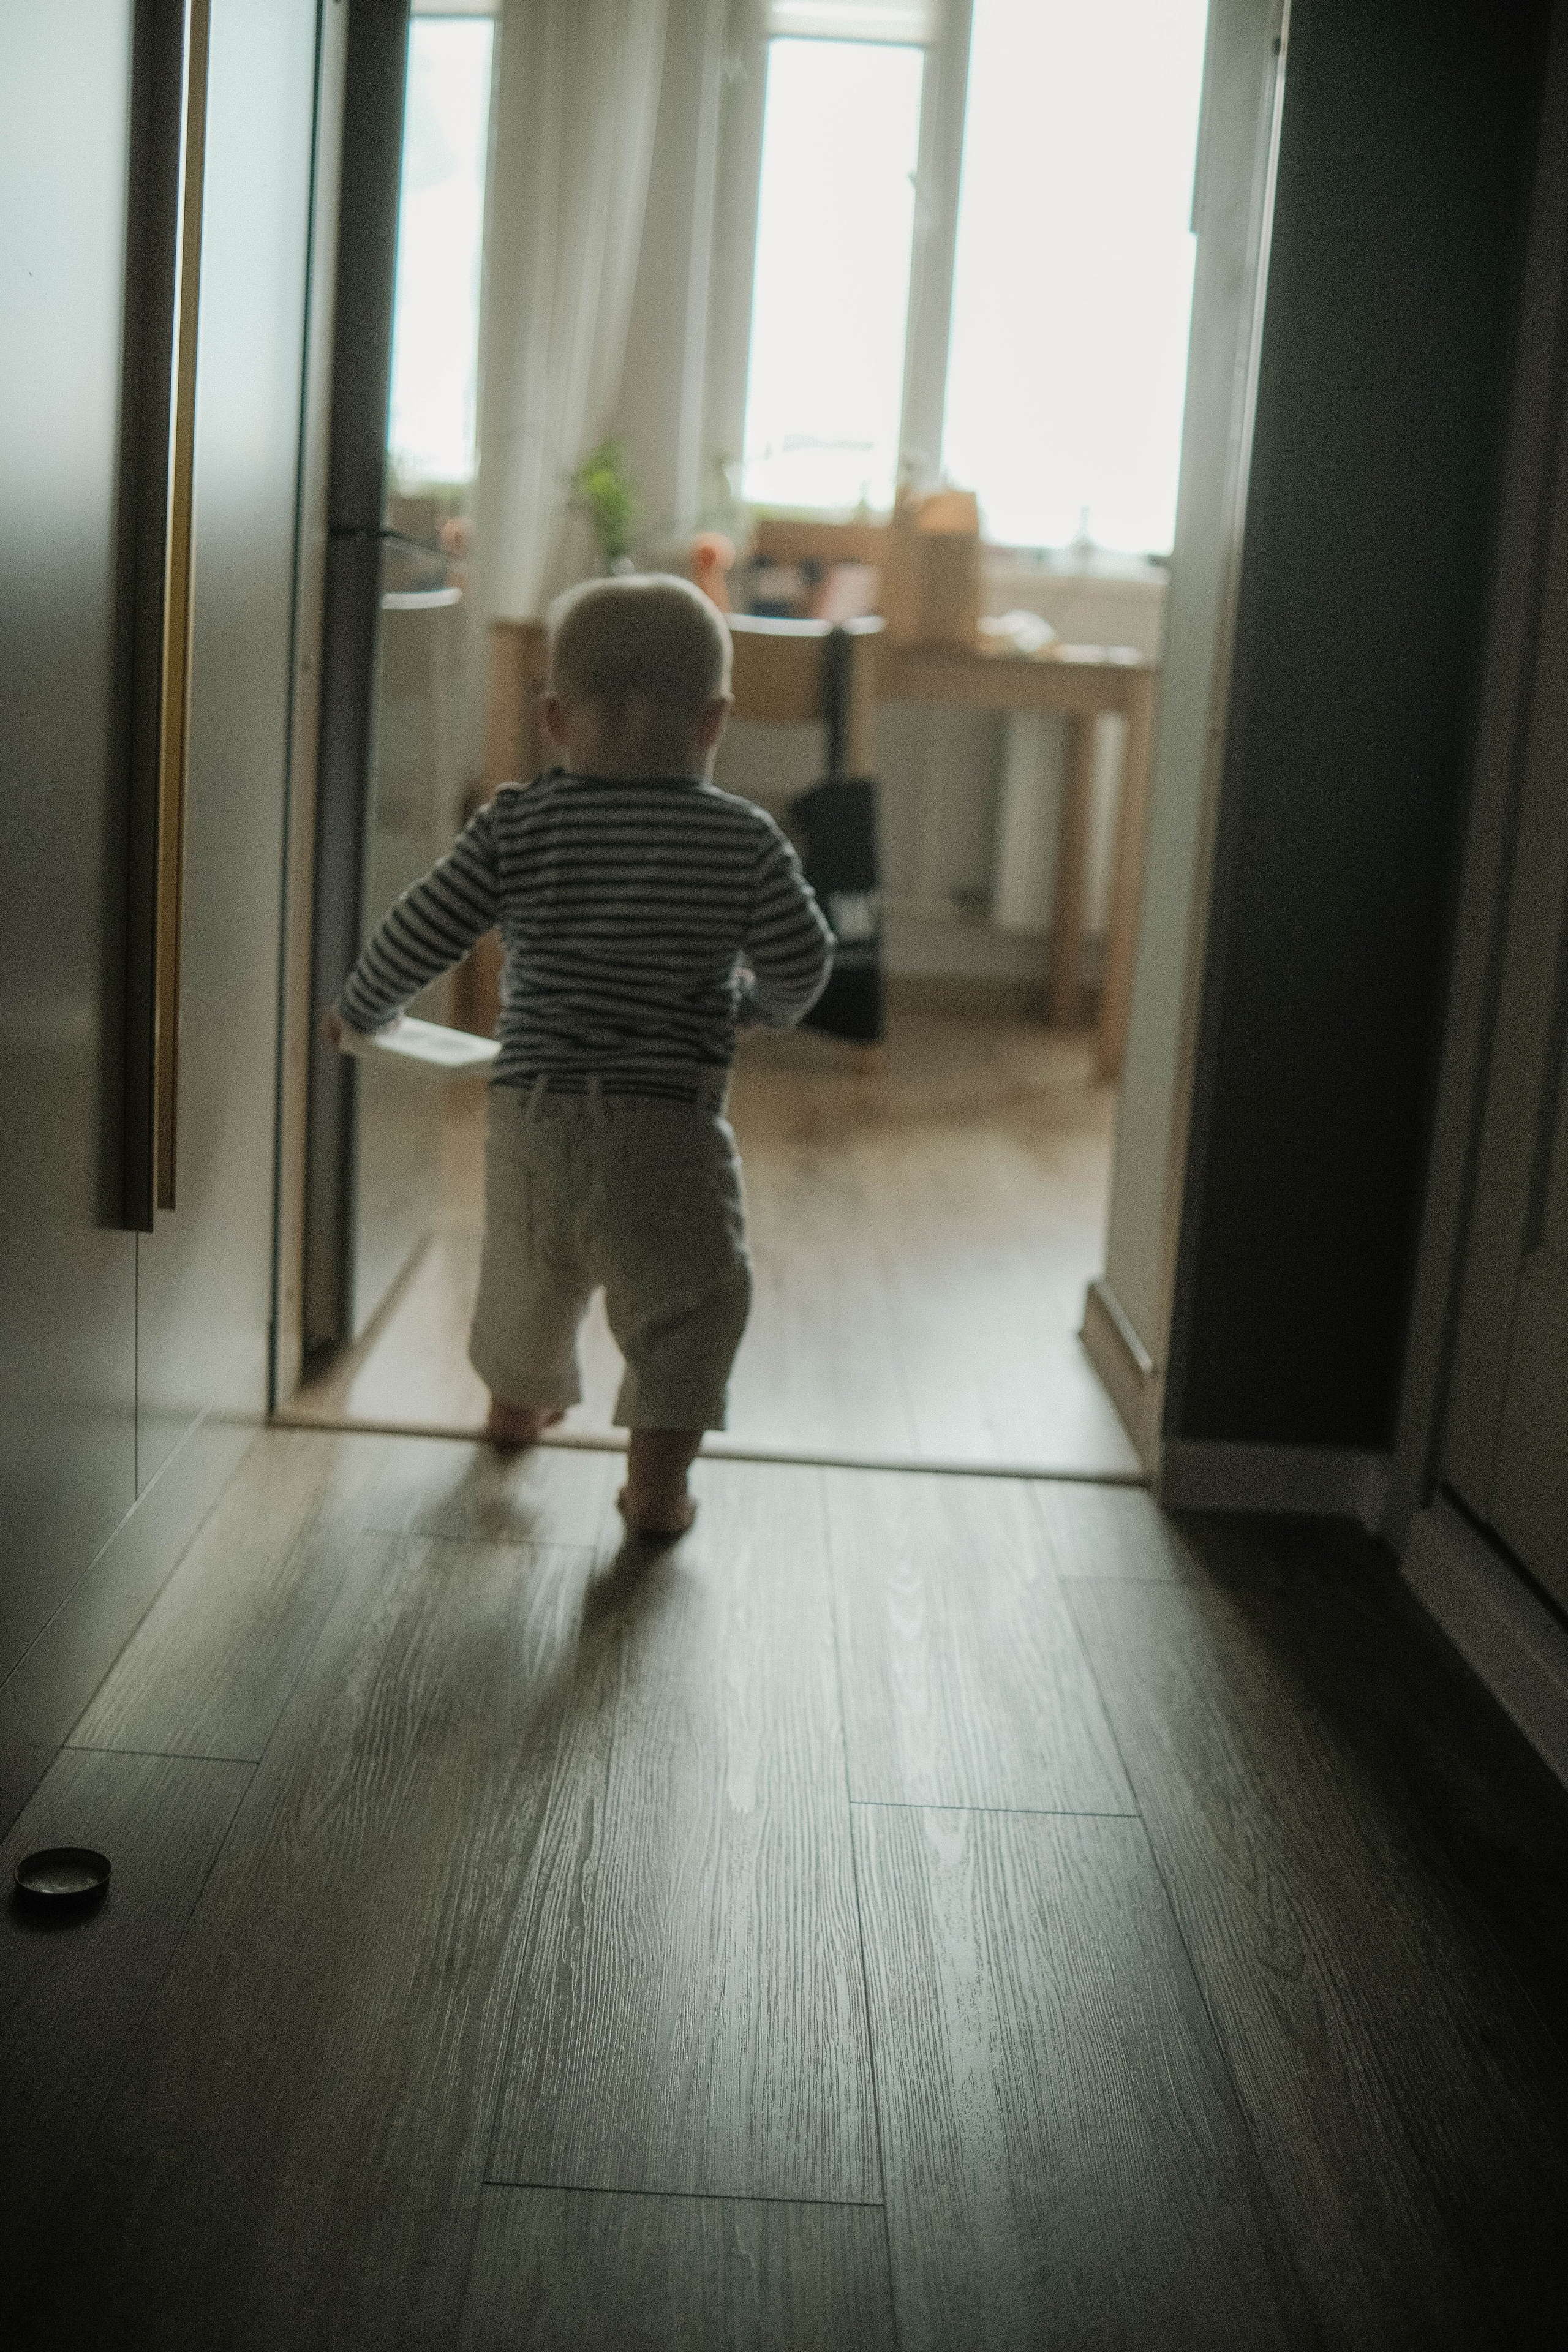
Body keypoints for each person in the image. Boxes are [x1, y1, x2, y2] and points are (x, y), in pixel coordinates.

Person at [329, 574, 834, 1535]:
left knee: (528, 1275)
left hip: (531, 1119)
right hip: (668, 1131)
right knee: (688, 1307)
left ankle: (515, 1410)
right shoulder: (742, 839)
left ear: (555, 717)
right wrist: (760, 1006)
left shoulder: (518, 824)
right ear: (714, 720)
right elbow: (806, 962)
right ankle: (654, 1490)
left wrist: (363, 1009)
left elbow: (422, 927)